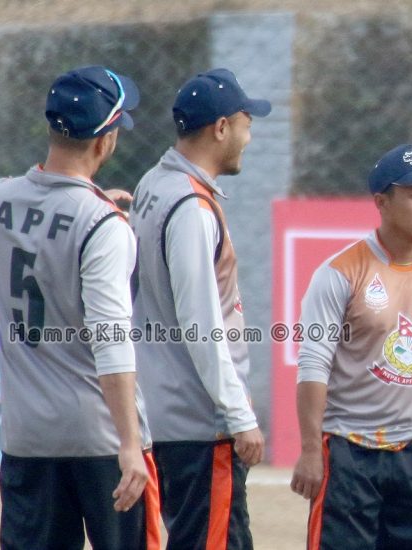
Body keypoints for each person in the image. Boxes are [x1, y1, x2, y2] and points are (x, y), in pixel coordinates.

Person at [0, 65, 158, 549]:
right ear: (105, 141)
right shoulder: (101, 224)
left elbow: (45, 217)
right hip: (98, 436)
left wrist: (97, 211)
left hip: (26, 437)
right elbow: (111, 341)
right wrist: (129, 444)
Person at [289, 143, 412, 550]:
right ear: (382, 202)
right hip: (350, 452)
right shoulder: (340, 273)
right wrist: (309, 449)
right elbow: (314, 364)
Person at [129, 68, 270, 549]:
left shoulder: (153, 183)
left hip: (163, 411)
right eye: (247, 124)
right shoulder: (191, 205)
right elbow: (201, 325)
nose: (250, 138)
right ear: (222, 127)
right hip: (199, 422)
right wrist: (239, 415)